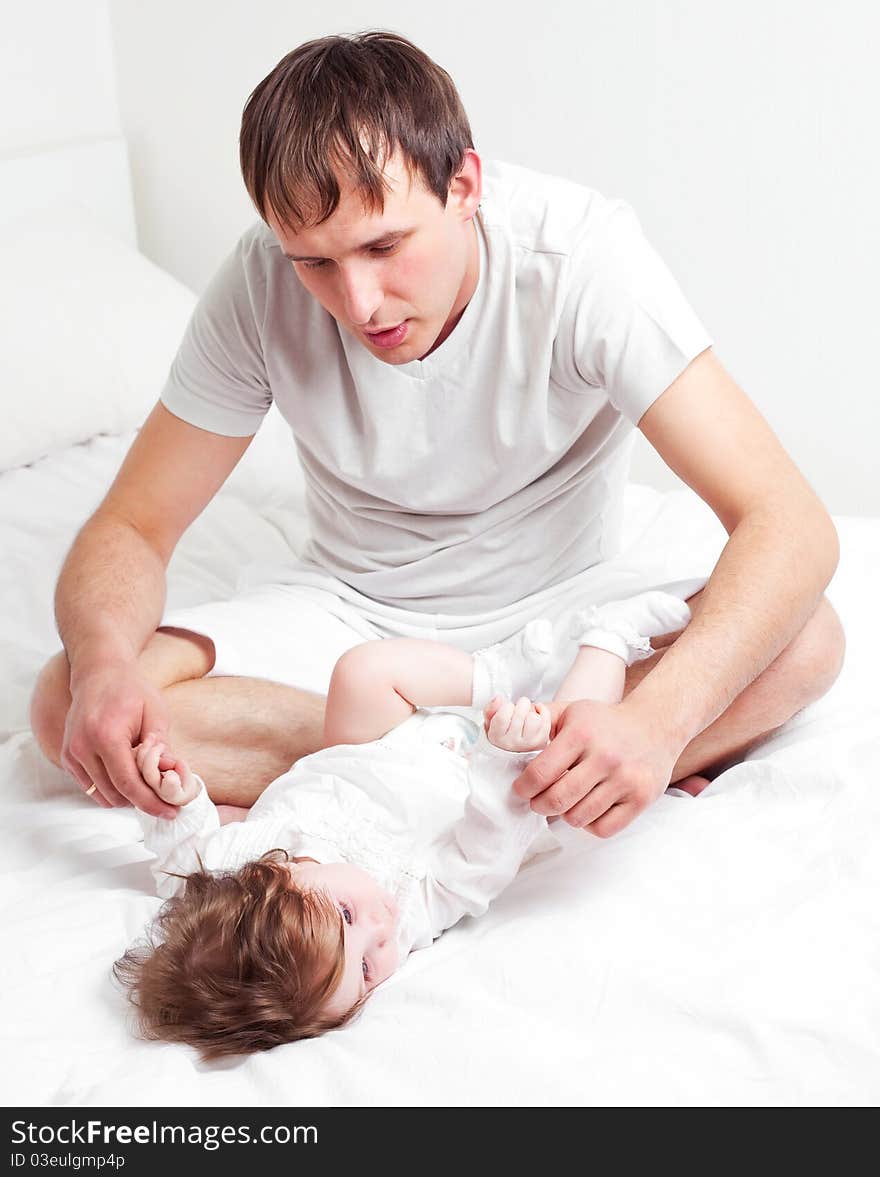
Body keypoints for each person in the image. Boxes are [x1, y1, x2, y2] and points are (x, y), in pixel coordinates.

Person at [31, 30, 844, 841]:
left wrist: (659, 723)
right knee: (74, 697)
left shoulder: (581, 260)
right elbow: (135, 525)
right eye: (313, 262)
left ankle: (398, 769)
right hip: (355, 617)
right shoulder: (258, 282)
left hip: (565, 607)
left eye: (384, 246)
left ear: (465, 185)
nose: (358, 303)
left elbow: (789, 521)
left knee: (806, 642)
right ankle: (507, 772)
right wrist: (107, 665)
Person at [116, 591, 706, 1059]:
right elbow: (480, 863)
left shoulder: (235, 861)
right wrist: (501, 763)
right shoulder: (409, 910)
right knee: (562, 768)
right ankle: (610, 640)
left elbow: (180, 858)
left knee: (363, 671)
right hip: (479, 781)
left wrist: (175, 796)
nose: (379, 929)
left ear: (274, 879)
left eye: (348, 918)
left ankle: (497, 672)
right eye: (369, 970)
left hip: (376, 748)